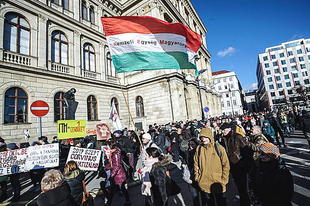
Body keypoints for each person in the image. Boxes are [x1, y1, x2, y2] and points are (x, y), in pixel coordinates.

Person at [194, 128, 230, 206]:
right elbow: (196, 164)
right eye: (202, 137)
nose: (204, 139)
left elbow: (226, 165)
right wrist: (197, 177)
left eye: (206, 137)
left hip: (218, 182)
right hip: (204, 182)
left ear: (210, 137)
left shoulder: (219, 148)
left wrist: (224, 179)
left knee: (221, 202)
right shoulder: (199, 149)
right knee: (210, 203)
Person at [221, 123, 251, 206]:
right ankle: (244, 201)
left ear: (229, 129)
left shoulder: (237, 137)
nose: (222, 131)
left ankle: (245, 203)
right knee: (239, 187)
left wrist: (245, 165)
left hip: (240, 165)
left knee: (243, 188)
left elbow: (246, 151)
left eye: (224, 130)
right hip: (232, 166)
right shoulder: (223, 139)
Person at [106, 140, 131, 206]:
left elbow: (116, 166)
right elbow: (113, 164)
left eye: (108, 146)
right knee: (113, 189)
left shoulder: (116, 154)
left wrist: (112, 175)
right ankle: (109, 203)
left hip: (118, 175)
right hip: (116, 174)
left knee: (122, 188)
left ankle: (128, 201)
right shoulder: (114, 152)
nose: (107, 147)